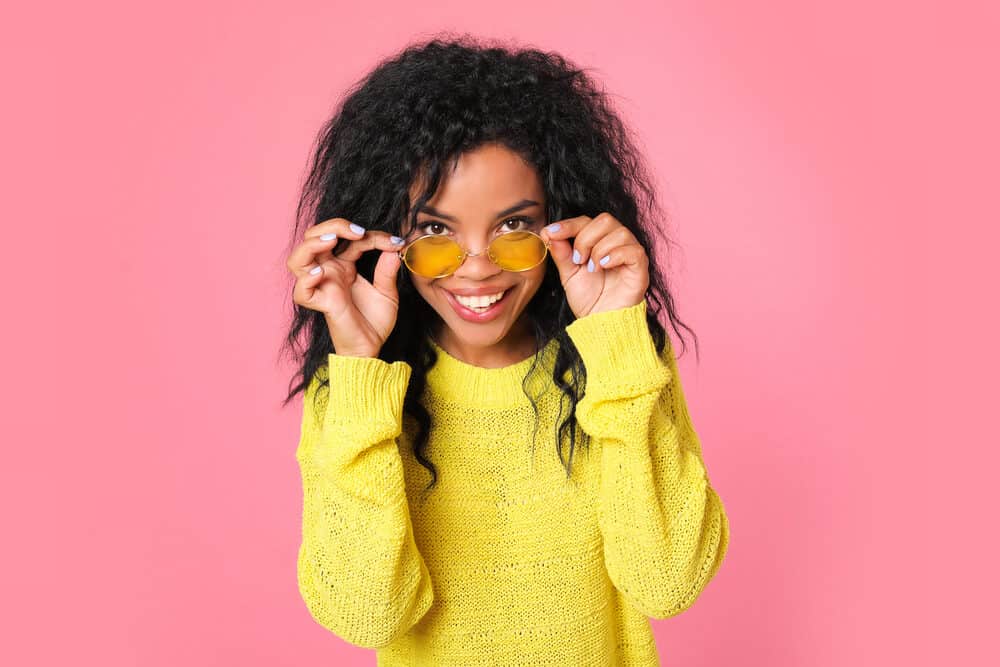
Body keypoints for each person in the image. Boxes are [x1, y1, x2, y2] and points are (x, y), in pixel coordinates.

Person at [281, 35, 730, 666]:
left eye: (514, 226)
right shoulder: (359, 389)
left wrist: (615, 339)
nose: (477, 269)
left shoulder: (618, 362)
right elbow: (366, 613)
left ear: (563, 221)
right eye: (435, 231)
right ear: (387, 237)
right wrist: (358, 368)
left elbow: (668, 581)